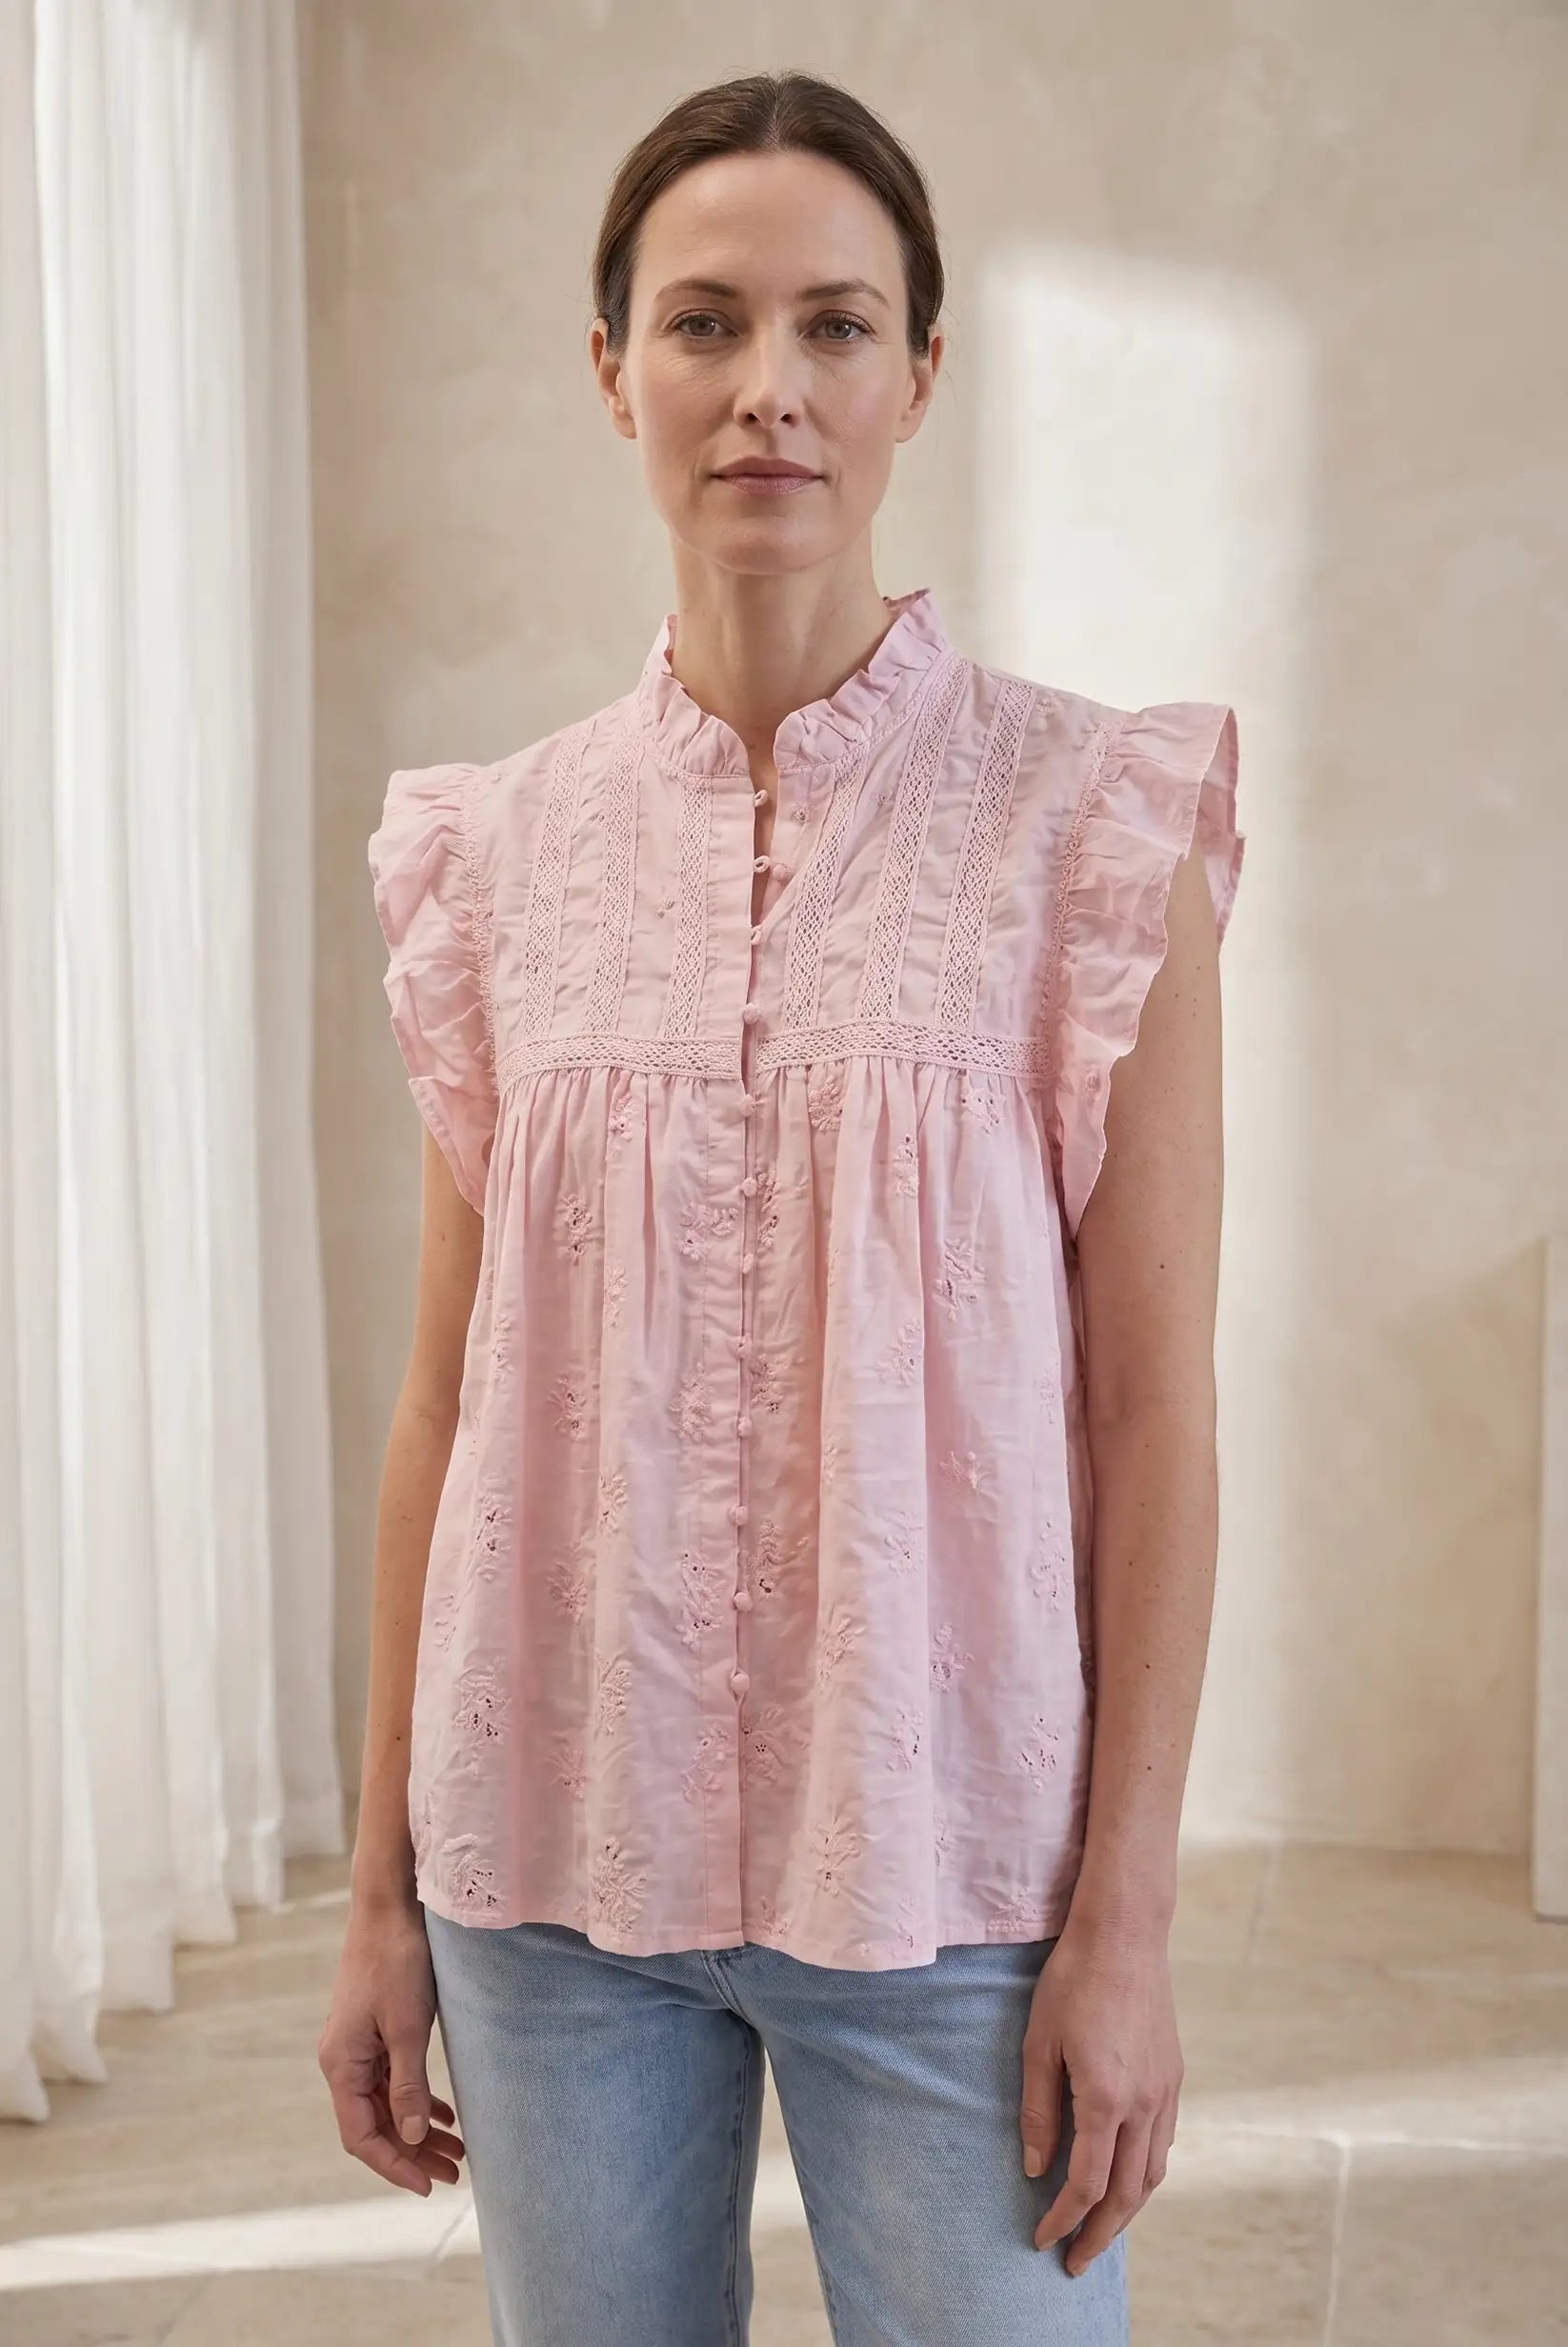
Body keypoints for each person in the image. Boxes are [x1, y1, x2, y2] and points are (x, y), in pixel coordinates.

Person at [319, 68, 1244, 2347]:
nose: (768, 387)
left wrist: (1123, 1922)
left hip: (954, 1871)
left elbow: (1151, 1414)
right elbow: (443, 1409)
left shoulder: (1088, 823)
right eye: (704, 321)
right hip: (545, 1872)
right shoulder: (492, 856)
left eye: (833, 325)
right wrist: (377, 1895)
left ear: (917, 374)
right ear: (611, 368)